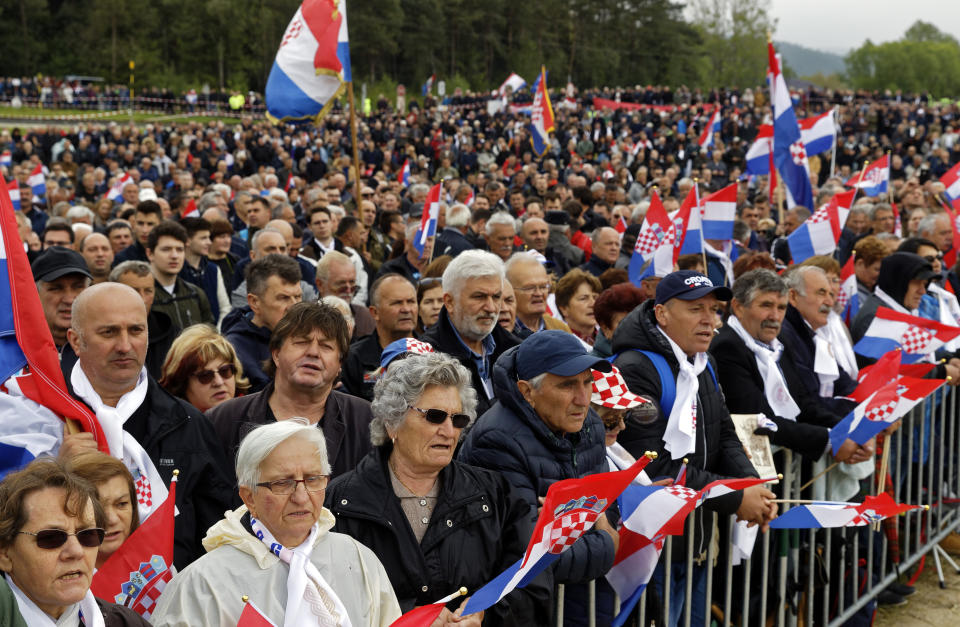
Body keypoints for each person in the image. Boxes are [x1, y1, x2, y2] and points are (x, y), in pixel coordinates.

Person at [328, 352, 551, 624]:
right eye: (434, 416)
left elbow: (532, 582)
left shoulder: (496, 494)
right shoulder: (340, 503)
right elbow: (326, 598)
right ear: (392, 422)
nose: (448, 431)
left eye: (458, 420)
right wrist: (414, 618)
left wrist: (485, 614)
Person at [610, 271, 776, 627]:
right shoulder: (635, 369)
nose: (708, 319)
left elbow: (725, 434)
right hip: (653, 547)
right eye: (695, 308)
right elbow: (652, 468)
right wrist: (733, 498)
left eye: (713, 310)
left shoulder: (704, 363)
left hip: (696, 536)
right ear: (661, 314)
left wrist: (749, 486)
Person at [150, 420, 401, 626]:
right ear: (249, 497)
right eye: (282, 483)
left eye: (313, 479)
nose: (301, 497)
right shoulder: (202, 583)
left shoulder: (357, 558)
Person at [62, 282, 234, 568]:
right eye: (109, 332)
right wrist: (56, 476)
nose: (125, 346)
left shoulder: (189, 424)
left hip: (171, 601)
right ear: (76, 340)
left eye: (136, 330)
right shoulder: (46, 417)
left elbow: (219, 535)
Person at [458, 330, 618, 626]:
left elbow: (610, 506)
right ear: (527, 391)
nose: (583, 399)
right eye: (568, 385)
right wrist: (606, 536)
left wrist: (578, 522)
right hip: (525, 609)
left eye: (588, 381)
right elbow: (532, 555)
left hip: (586, 601)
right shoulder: (497, 440)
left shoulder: (590, 425)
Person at [711, 269, 873, 461]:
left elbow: (802, 401)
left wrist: (849, 429)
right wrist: (829, 440)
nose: (775, 316)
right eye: (766, 305)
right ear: (738, 307)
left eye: (781, 308)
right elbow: (757, 418)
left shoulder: (780, 343)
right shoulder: (727, 347)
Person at [209, 302, 374, 483]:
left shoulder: (367, 421)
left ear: (340, 365)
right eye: (301, 342)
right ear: (276, 354)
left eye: (326, 346)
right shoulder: (222, 421)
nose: (313, 352)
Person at [0, 458, 150, 626]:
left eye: (88, 535)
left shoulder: (128, 623)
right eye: (52, 538)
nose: (76, 551)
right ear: (5, 553)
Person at [421, 250, 520, 416]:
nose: (491, 308)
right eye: (479, 297)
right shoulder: (427, 359)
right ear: (450, 302)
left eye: (496, 297)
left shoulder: (516, 350)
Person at [223, 254, 303, 393]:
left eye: (297, 296)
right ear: (254, 302)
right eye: (283, 298)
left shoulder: (311, 336)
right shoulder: (234, 351)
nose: (294, 306)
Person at [341, 274, 418, 402]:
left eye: (411, 301)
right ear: (374, 313)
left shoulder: (433, 353)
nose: (406, 309)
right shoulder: (352, 359)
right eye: (397, 303)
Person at [64, 452, 139, 569]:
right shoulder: (56, 580)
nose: (112, 519)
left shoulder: (160, 568)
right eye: (96, 507)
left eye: (121, 504)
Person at [108, 260, 178, 381]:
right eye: (134, 291)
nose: (142, 298)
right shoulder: (101, 335)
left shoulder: (174, 336)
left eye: (148, 291)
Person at [159, 324, 250, 412]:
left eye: (225, 371)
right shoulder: (174, 425)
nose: (219, 382)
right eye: (205, 375)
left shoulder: (255, 413)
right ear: (182, 385)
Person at [146, 220, 215, 328]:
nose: (174, 255)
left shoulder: (196, 294)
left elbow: (209, 335)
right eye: (166, 249)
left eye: (179, 249)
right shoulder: (141, 296)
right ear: (150, 254)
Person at [31, 246, 92, 351]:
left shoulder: (108, 349)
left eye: (78, 287)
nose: (69, 299)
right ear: (35, 295)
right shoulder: (15, 354)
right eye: (56, 289)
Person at [505, 252, 571, 338]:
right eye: (529, 288)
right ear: (509, 291)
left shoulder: (560, 328)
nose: (539, 293)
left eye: (543, 287)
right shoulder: (500, 332)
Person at [314, 250, 377, 339]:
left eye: (352, 282)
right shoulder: (305, 319)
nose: (348, 290)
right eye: (341, 283)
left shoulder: (366, 318)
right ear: (320, 284)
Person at [591, 282, 647, 358]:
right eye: (624, 323)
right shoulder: (592, 366)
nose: (633, 328)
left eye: (637, 321)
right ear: (606, 329)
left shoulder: (657, 356)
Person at [555, 269, 602, 347]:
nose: (593, 304)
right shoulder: (558, 344)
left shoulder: (610, 338)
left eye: (595, 297)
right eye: (583, 298)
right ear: (564, 309)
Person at [113, 201, 162, 265]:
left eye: (150, 224)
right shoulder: (122, 258)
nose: (144, 230)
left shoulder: (170, 255)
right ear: (134, 224)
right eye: (140, 223)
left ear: (160, 225)